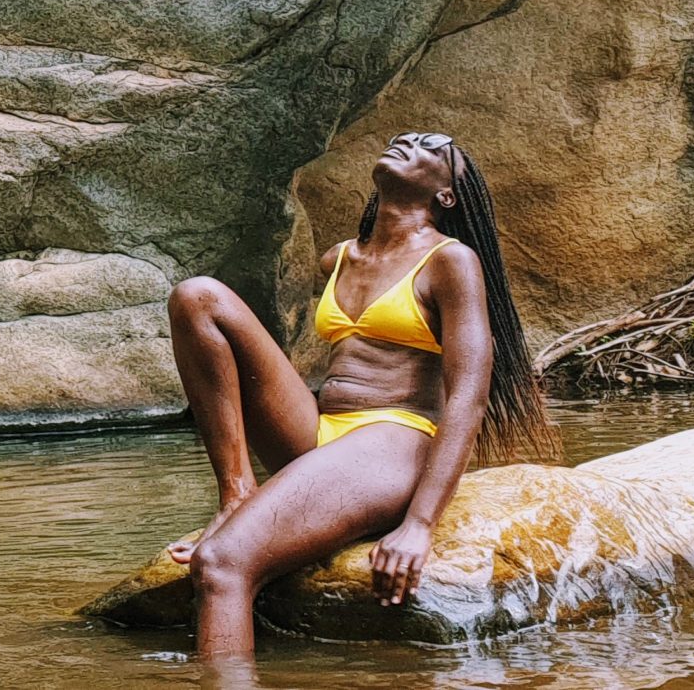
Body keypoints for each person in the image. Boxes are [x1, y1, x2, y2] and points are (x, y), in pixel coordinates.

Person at [161, 131, 561, 663]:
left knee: (220, 563)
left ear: (446, 195)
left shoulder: (452, 260)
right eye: (406, 136)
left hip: (394, 441)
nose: (409, 141)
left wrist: (419, 526)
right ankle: (236, 492)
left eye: (430, 147)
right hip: (321, 434)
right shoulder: (339, 258)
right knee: (197, 296)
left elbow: (469, 397)